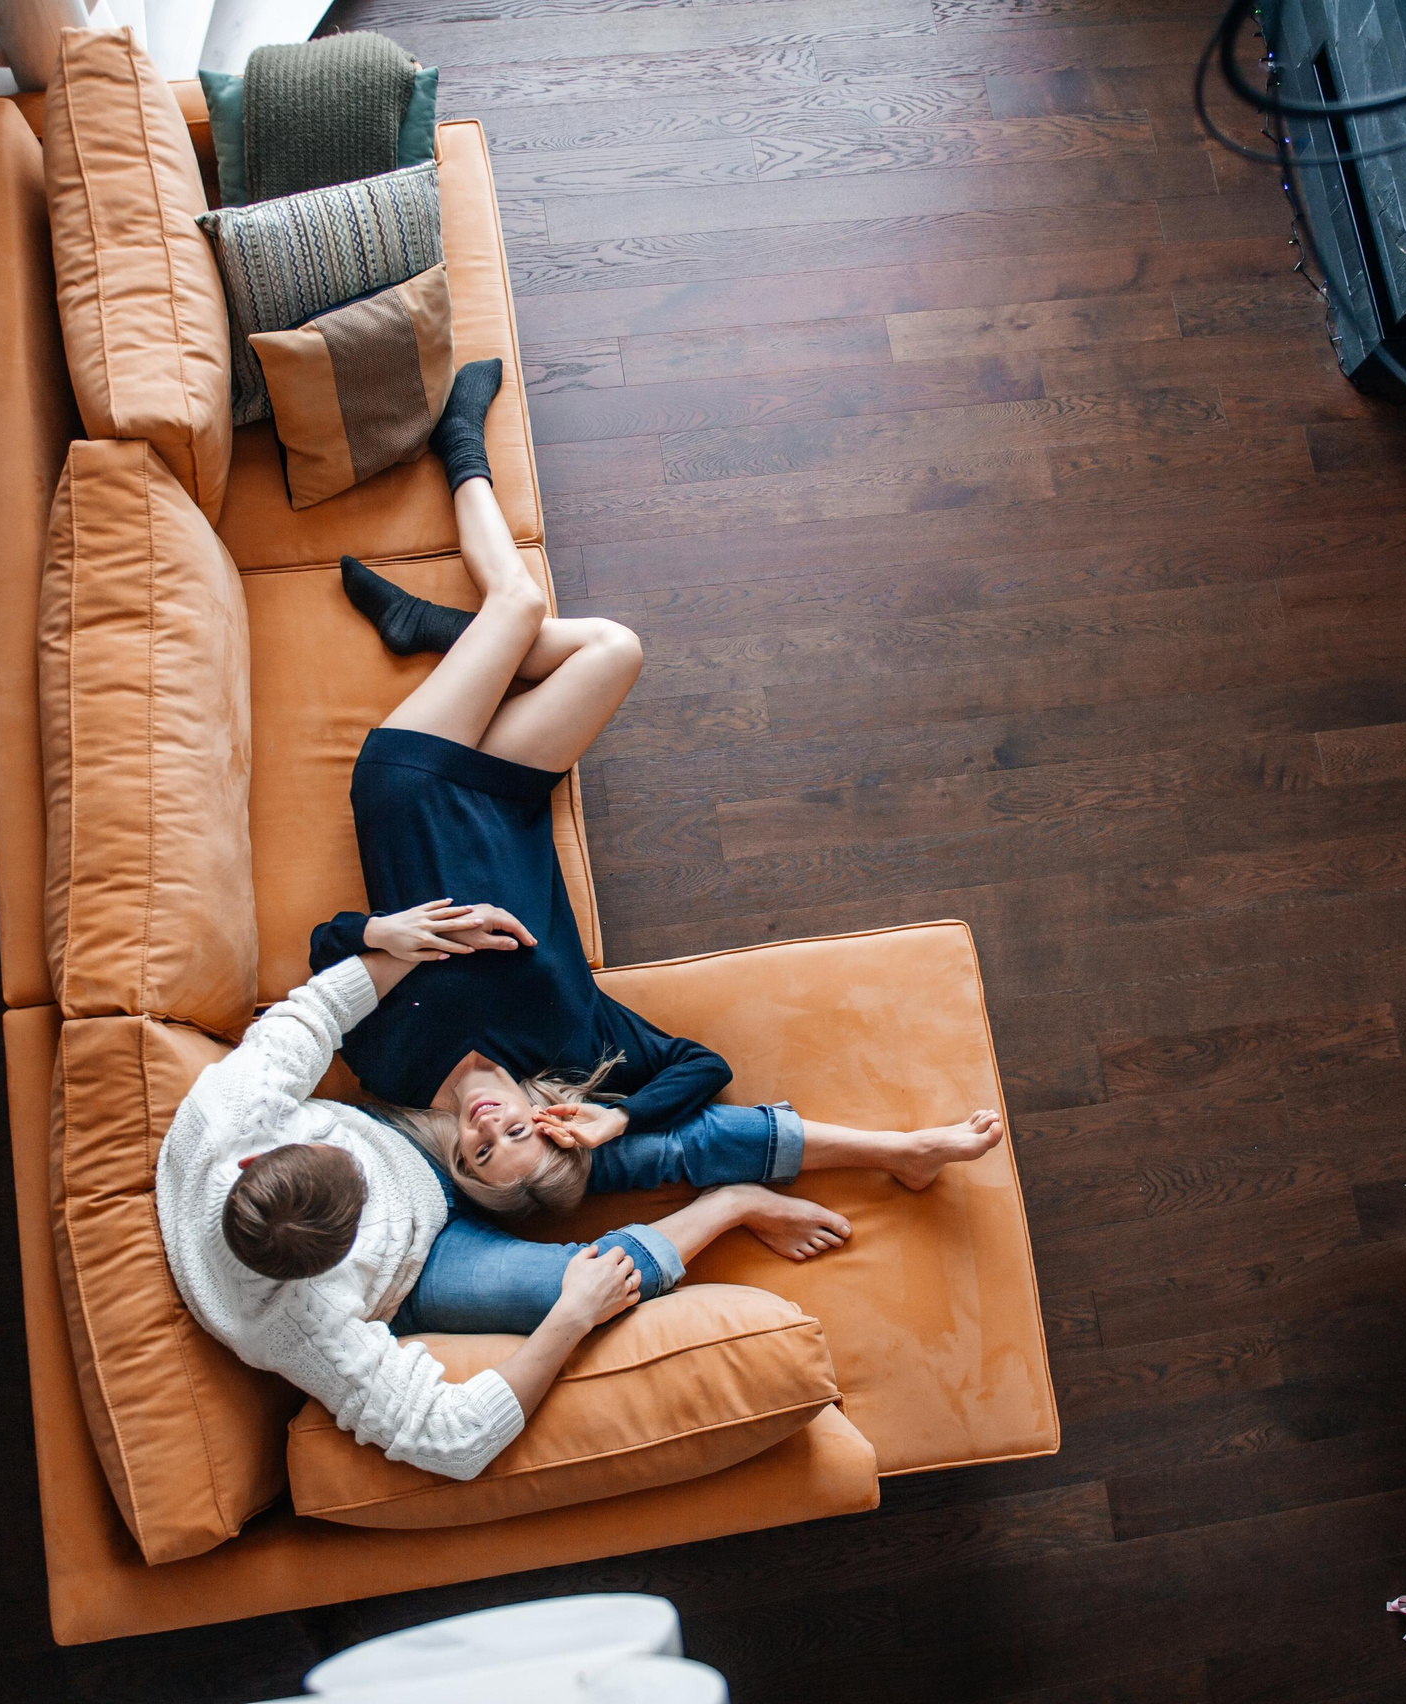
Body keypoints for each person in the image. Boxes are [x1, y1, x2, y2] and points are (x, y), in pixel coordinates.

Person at [310, 357, 1005, 1234]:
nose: (490, 1130)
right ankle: (444, 635)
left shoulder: (392, 1064)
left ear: (452, 1156)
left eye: (478, 1154)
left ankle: (459, 456)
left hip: (407, 789)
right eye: (520, 1135)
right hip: (510, 797)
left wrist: (385, 935)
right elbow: (699, 1066)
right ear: (551, 1119)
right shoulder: (575, 1045)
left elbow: (323, 952)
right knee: (616, 650)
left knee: (520, 601)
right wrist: (624, 1116)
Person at [155, 898, 848, 1481]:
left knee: (604, 1144)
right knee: (583, 1283)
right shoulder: (302, 1323)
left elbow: (316, 1011)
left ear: (254, 1161)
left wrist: (416, 941)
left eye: (338, 1153)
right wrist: (571, 1317)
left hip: (424, 1138)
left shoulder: (233, 1116)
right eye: (362, 1192)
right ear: (339, 1260)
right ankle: (734, 1203)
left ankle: (869, 1149)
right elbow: (452, 1442)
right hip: (422, 1268)